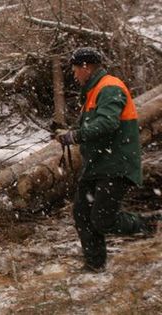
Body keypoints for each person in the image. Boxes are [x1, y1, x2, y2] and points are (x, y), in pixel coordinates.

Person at [55, 47, 159, 272]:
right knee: (82, 213)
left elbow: (107, 124)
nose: (74, 75)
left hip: (115, 164)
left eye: (75, 70)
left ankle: (152, 224)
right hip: (97, 165)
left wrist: (76, 135)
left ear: (86, 67)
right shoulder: (93, 92)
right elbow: (92, 125)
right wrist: (68, 133)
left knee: (103, 220)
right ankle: (95, 266)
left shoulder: (109, 87)